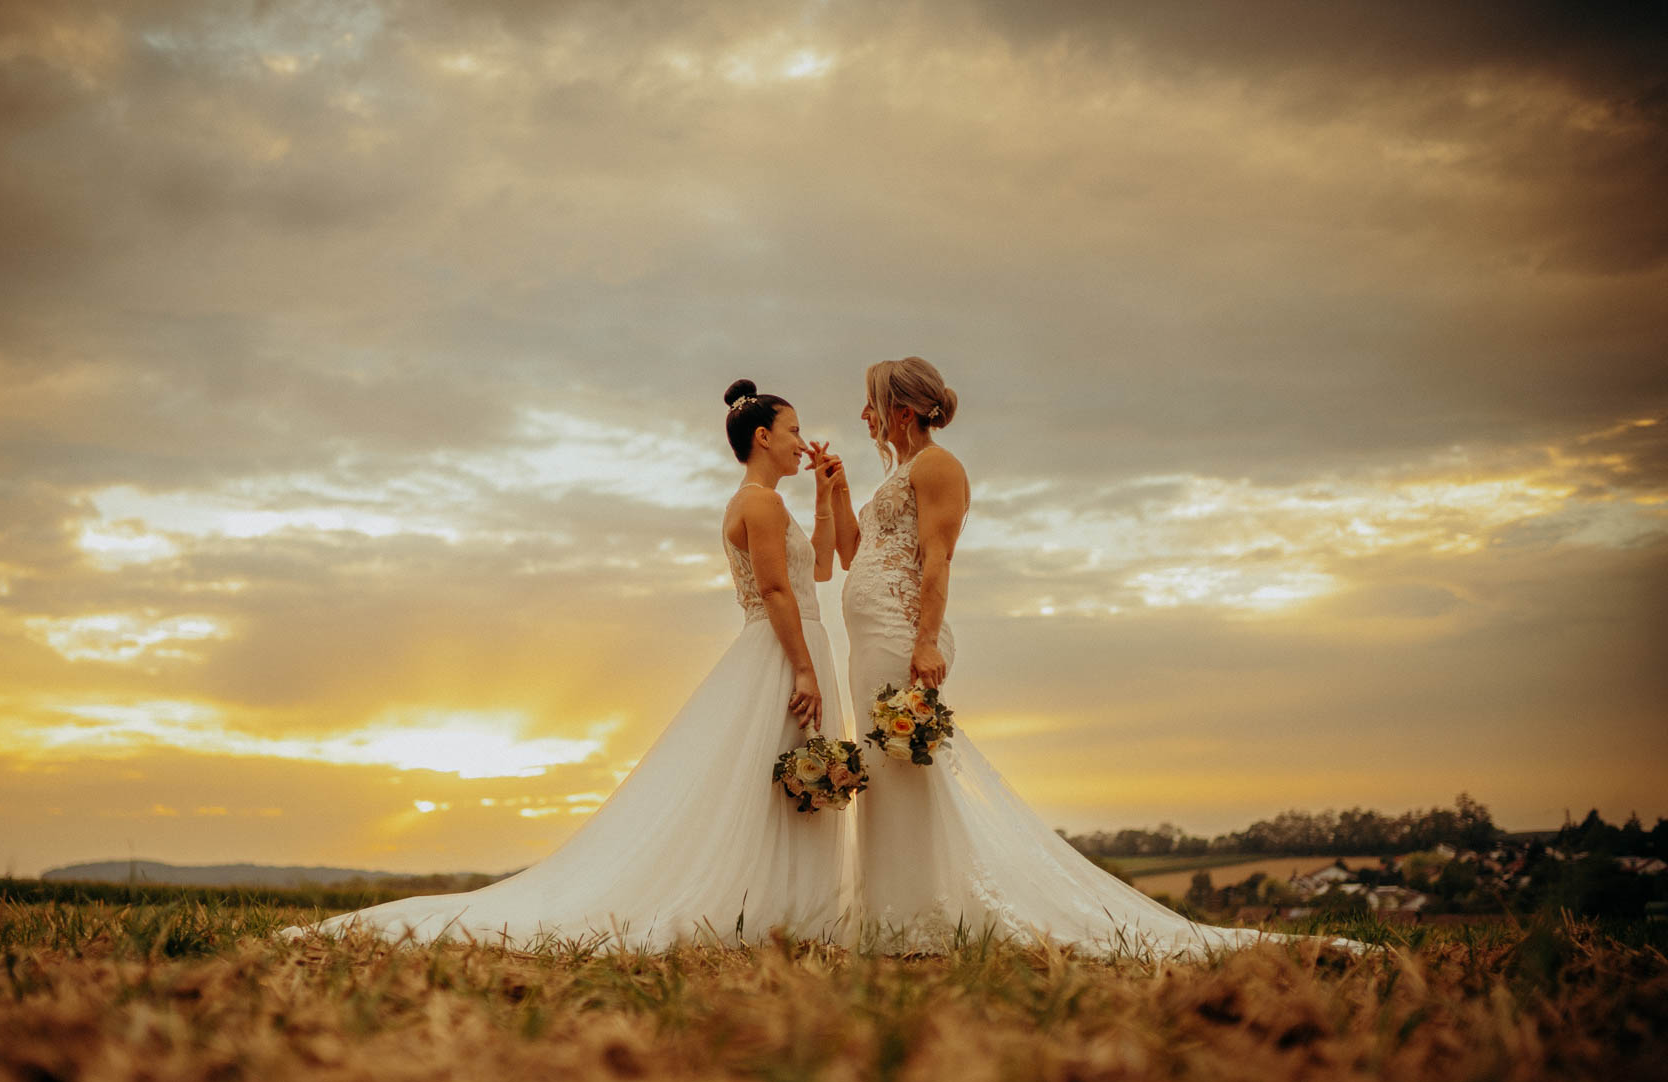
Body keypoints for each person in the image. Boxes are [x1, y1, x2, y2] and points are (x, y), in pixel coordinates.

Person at [286, 380, 852, 949]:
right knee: (765, 783)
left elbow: (819, 573)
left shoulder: (772, 504)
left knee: (782, 784)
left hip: (796, 644)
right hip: (781, 652)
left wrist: (826, 498)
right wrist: (802, 668)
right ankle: (758, 909)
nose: (802, 442)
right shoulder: (759, 502)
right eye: (794, 430)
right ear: (763, 436)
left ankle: (793, 910)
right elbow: (778, 592)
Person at [820, 357, 1266, 957]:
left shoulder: (940, 467)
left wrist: (925, 641)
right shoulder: (895, 477)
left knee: (905, 766)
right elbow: (853, 553)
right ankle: (890, 919)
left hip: (901, 634)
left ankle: (921, 916)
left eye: (872, 404)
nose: (864, 416)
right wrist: (840, 491)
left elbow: (937, 558)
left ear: (902, 413)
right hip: (868, 637)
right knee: (882, 767)